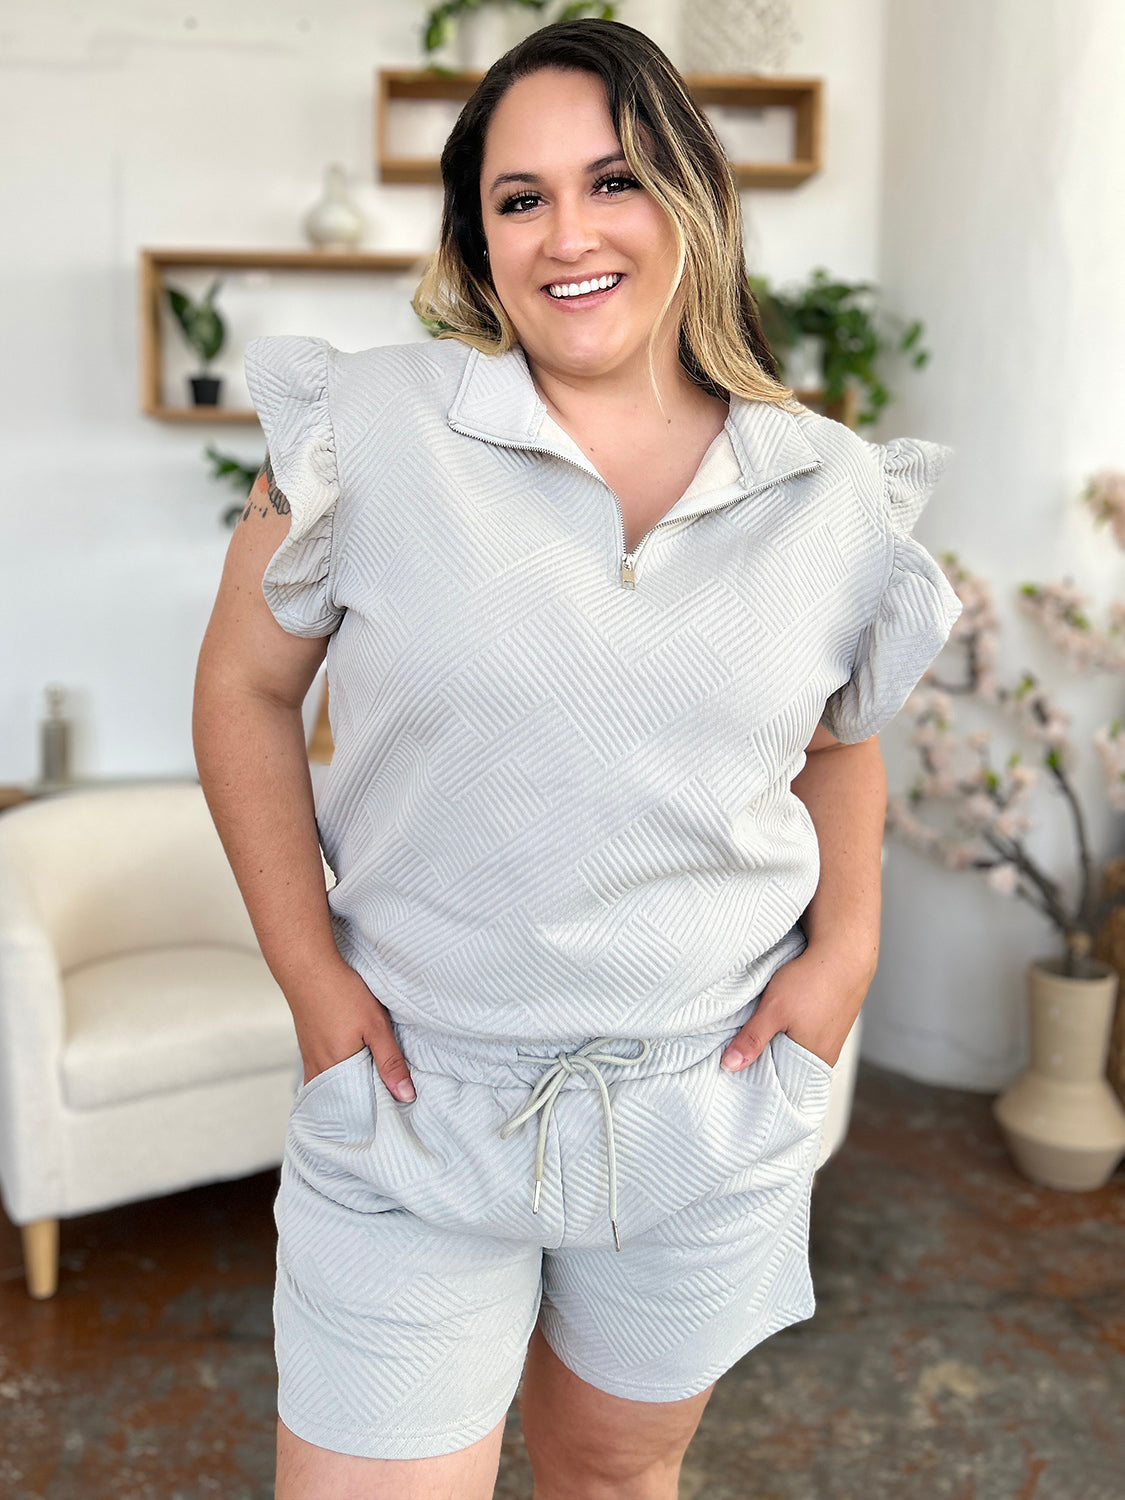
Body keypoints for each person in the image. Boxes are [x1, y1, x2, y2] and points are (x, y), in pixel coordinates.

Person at [193, 18, 962, 1499]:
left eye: (611, 181)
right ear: (476, 243)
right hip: (415, 1095)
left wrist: (845, 954)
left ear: (690, 198)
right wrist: (309, 977)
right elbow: (239, 692)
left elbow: (835, 740)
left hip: (710, 1096)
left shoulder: (831, 487)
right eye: (518, 198)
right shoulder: (363, 430)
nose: (567, 235)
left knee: (615, 1472)